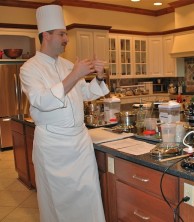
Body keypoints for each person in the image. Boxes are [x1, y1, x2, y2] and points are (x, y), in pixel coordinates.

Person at [20, 5, 108, 222]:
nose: (66, 38)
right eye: (61, 34)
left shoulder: (69, 64)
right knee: (58, 202)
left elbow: (84, 93)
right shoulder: (29, 68)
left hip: (80, 142)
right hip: (53, 146)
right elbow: (42, 101)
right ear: (46, 35)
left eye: (65, 33)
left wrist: (98, 77)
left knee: (89, 196)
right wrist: (75, 75)